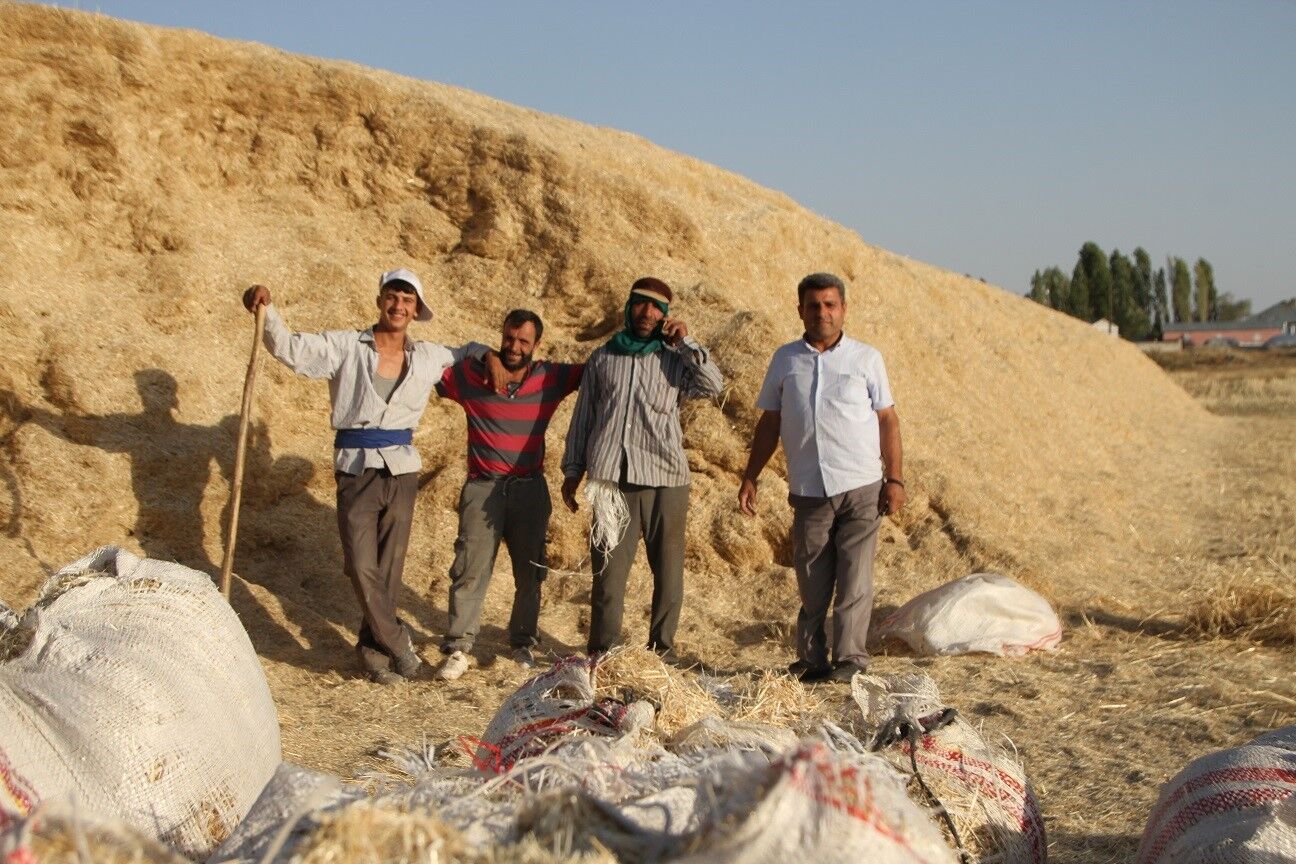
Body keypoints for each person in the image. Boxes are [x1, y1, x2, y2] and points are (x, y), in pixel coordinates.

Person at [241, 270, 502, 684]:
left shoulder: (428, 356)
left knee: (389, 568)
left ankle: (373, 656)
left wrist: (488, 355)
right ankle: (399, 643)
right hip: (355, 467)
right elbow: (290, 349)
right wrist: (266, 310)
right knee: (360, 565)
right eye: (393, 297)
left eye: (408, 300)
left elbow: (465, 351)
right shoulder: (347, 346)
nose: (399, 306)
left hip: (401, 470)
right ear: (381, 300)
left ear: (416, 311)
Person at [737, 272, 906, 683]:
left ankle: (850, 659)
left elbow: (888, 420)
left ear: (843, 309)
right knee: (812, 581)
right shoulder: (785, 359)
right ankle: (812, 660)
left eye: (830, 305)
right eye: (814, 305)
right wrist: (750, 475)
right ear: (801, 310)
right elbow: (769, 422)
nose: (822, 313)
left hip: (862, 485)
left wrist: (895, 478)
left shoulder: (867, 359)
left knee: (854, 577)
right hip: (810, 488)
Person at [560, 277, 725, 660]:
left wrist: (686, 344)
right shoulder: (603, 358)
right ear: (629, 306)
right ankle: (602, 653)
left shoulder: (674, 359)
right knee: (608, 576)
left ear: (666, 315)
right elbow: (584, 417)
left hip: (666, 479)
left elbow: (713, 385)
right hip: (610, 480)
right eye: (642, 304)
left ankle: (661, 651)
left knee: (667, 573)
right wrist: (573, 469)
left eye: (658, 308)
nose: (648, 314)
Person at [432, 309, 584, 681]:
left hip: (529, 487)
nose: (514, 348)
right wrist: (482, 354)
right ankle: (458, 647)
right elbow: (431, 363)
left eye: (523, 342)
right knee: (470, 566)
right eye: (509, 339)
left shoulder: (550, 377)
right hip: (483, 486)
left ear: (536, 345)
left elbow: (596, 370)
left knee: (531, 570)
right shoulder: (471, 375)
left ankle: (522, 643)